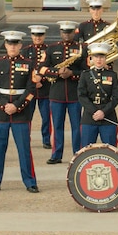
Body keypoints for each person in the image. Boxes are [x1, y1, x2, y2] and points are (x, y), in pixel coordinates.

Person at [0, 30, 39, 193]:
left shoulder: (29, 64)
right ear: (5, 45)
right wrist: (3, 105)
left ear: (20, 45)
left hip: (21, 112)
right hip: (1, 112)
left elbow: (31, 89)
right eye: (9, 43)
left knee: (24, 148)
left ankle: (30, 181)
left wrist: (16, 106)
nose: (12, 46)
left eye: (16, 43)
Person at [40, 21, 84, 164]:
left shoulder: (81, 49)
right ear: (60, 32)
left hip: (74, 94)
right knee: (57, 126)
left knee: (76, 126)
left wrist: (72, 73)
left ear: (74, 32)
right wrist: (56, 72)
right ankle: (56, 154)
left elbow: (86, 71)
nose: (67, 34)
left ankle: (77, 153)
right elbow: (41, 69)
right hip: (56, 94)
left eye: (69, 32)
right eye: (64, 32)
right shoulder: (52, 48)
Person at [80, 42, 118, 146]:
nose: (99, 60)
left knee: (110, 149)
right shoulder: (85, 75)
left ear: (106, 58)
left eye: (101, 57)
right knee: (86, 149)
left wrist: (103, 112)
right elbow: (81, 96)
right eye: (96, 57)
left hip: (108, 116)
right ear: (91, 58)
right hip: (90, 116)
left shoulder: (112, 75)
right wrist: (94, 111)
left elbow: (116, 97)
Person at [26, 24, 53, 148]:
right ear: (31, 36)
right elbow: (23, 69)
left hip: (45, 88)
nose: (37, 38)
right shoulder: (26, 50)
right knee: (27, 116)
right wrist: (33, 81)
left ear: (44, 36)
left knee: (46, 117)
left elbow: (52, 68)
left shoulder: (49, 49)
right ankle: (26, 138)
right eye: (35, 35)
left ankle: (46, 139)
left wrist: (41, 78)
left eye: (40, 35)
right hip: (30, 89)